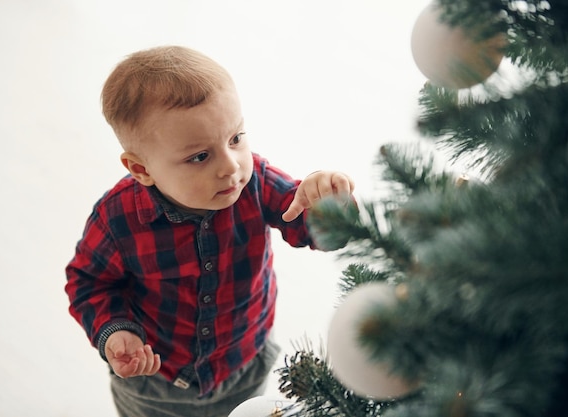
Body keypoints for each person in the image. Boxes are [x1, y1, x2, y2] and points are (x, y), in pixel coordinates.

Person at [64, 45, 355, 417]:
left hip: (243, 366)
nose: (231, 166)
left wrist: (329, 203)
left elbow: (311, 228)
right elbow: (88, 282)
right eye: (200, 156)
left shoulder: (256, 182)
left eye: (235, 139)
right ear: (141, 170)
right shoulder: (117, 218)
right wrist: (114, 330)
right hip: (155, 386)